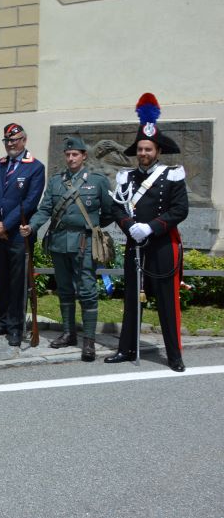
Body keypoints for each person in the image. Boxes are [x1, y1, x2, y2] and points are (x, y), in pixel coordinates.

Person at [106, 93, 188, 372]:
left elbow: (180, 210)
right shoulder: (124, 177)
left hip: (163, 246)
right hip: (135, 246)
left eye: (148, 149)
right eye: (140, 149)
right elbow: (117, 209)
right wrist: (130, 227)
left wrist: (150, 227)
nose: (143, 154)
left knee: (167, 302)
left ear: (158, 151)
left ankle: (174, 355)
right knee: (132, 299)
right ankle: (127, 349)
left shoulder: (173, 174)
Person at [21, 137, 117, 361]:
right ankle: (68, 333)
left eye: (75, 154)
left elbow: (110, 210)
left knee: (87, 291)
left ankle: (89, 341)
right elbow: (45, 209)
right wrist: (32, 226)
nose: (71, 158)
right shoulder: (56, 182)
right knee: (64, 289)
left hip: (84, 242)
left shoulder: (97, 181)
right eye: (68, 154)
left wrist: (94, 227)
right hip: (59, 242)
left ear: (84, 156)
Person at [0, 123, 45, 347]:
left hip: (17, 235)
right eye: (7, 140)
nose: (11, 144)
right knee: (2, 280)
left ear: (24, 140)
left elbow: (29, 203)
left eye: (15, 140)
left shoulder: (35, 167)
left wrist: (5, 225)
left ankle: (16, 327)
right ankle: (4, 321)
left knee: (18, 283)